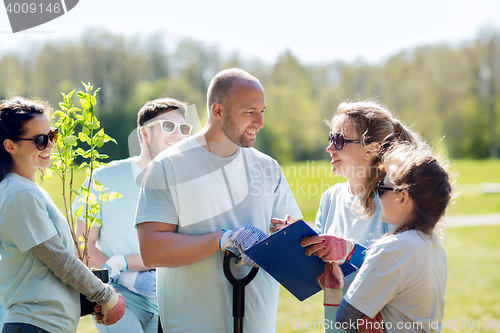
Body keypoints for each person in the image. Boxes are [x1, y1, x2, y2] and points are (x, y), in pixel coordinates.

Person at [135, 68, 302, 332]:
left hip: (257, 322)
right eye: (250, 112)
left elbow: (293, 238)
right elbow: (152, 249)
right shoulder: (168, 167)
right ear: (218, 111)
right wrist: (222, 240)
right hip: (191, 324)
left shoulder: (268, 168)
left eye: (263, 111)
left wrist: (284, 236)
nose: (260, 122)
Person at [0, 97, 124, 333]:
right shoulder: (18, 193)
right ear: (10, 146)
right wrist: (105, 295)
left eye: (52, 135)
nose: (49, 145)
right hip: (36, 324)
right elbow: (58, 259)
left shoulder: (27, 190)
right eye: (39, 140)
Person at [72, 98, 193, 333]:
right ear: (144, 133)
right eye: (168, 126)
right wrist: (123, 278)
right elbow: (82, 245)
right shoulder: (102, 179)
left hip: (174, 300)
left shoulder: (189, 186)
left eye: (184, 129)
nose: (178, 135)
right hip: (118, 298)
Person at [300, 100, 423, 332]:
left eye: (339, 140)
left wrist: (349, 251)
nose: (330, 148)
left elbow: (404, 270)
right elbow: (318, 272)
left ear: (372, 148)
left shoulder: (395, 202)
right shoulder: (330, 198)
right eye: (330, 138)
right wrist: (294, 240)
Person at [336, 144, 451, 332]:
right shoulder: (436, 247)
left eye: (382, 188)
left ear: (403, 198)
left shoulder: (391, 249)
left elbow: (345, 318)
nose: (377, 196)